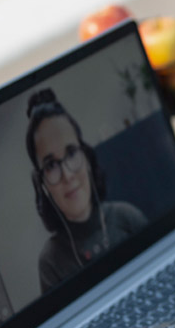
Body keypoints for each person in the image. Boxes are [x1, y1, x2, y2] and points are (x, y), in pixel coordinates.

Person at [26, 88, 148, 294]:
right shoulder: (51, 261)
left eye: (71, 153)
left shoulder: (127, 217)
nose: (67, 175)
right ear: (43, 185)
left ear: (87, 158)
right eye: (51, 165)